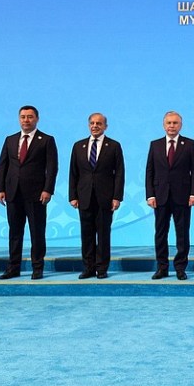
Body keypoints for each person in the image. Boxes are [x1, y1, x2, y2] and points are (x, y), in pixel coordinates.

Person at [0, 105, 59, 280]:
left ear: (37, 119)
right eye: (23, 117)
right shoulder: (10, 139)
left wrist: (48, 190)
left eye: (30, 117)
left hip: (36, 194)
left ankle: (37, 267)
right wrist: (0, 189)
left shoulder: (46, 140)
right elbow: (2, 165)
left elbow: (52, 167)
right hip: (13, 193)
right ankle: (13, 268)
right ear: (19, 119)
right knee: (14, 233)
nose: (26, 120)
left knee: (37, 233)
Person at [68, 113, 125, 280]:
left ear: (105, 126)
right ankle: (88, 268)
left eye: (99, 123)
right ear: (88, 125)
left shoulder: (113, 146)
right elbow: (73, 173)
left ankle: (101, 268)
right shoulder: (78, 146)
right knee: (86, 235)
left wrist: (117, 197)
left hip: (105, 197)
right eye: (92, 123)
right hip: (84, 197)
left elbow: (119, 173)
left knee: (103, 234)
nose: (95, 126)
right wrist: (73, 196)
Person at [145, 111, 194, 280]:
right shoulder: (155, 145)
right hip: (160, 196)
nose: (172, 126)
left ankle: (180, 268)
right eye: (169, 123)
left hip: (183, 196)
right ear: (164, 125)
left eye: (175, 123)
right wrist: (150, 195)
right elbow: (149, 171)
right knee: (160, 233)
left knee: (182, 233)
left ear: (180, 125)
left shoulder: (189, 144)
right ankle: (162, 268)